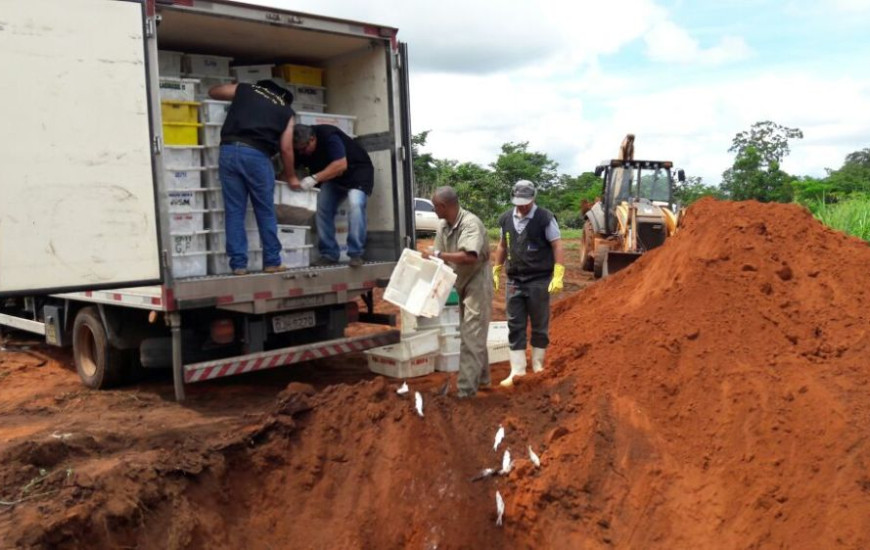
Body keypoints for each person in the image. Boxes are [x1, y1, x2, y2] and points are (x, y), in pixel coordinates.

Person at [208, 80, 297, 275]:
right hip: (257, 155)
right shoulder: (287, 112)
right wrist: (290, 175)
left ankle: (239, 265)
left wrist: (234, 85)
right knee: (265, 211)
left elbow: (214, 91)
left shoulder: (247, 89)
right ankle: (272, 261)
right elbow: (286, 148)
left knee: (234, 211)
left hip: (229, 150)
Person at [492, 180, 565, 387]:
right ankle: (518, 370)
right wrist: (497, 269)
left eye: (526, 202)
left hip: (538, 280)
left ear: (534, 198)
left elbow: (557, 245)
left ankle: (538, 365)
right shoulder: (506, 218)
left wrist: (558, 272)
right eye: (518, 202)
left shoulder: (545, 218)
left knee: (540, 324)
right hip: (515, 280)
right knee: (515, 324)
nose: (522, 206)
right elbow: (502, 246)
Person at [423, 186, 492, 398]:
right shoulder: (443, 226)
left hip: (477, 281)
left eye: (435, 206)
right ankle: (482, 379)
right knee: (472, 332)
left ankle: (465, 392)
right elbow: (439, 258)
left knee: (471, 334)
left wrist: (438, 254)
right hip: (460, 280)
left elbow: (469, 256)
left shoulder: (471, 224)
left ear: (443, 206)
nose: (434, 210)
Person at [292, 124, 374, 268]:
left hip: (357, 171)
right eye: (299, 150)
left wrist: (313, 179)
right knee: (322, 207)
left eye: (304, 149)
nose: (302, 153)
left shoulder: (328, 136)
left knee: (356, 205)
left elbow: (341, 165)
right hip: (335, 178)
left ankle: (355, 254)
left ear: (312, 139)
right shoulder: (301, 148)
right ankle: (329, 254)